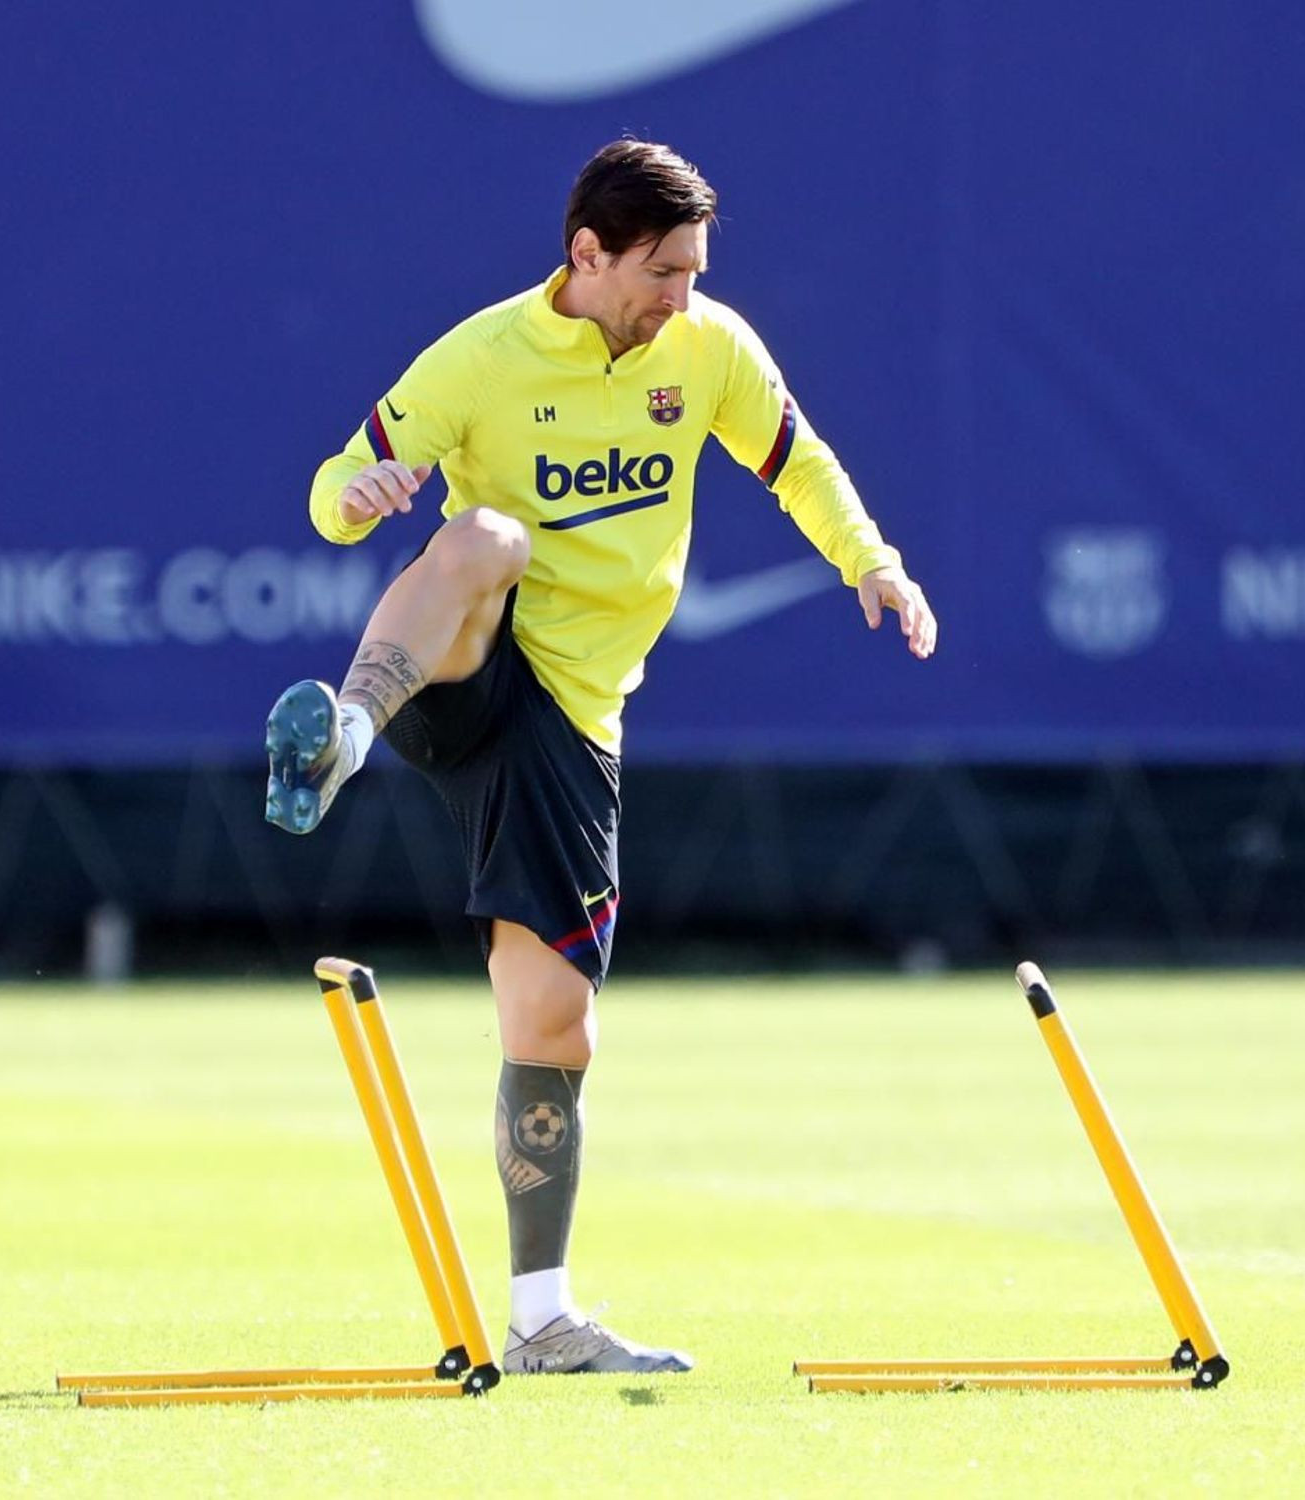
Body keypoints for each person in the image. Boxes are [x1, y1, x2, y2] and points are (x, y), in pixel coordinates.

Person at [262, 139, 938, 1375]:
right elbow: (334, 480)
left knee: (556, 1023)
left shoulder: (711, 350)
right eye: (662, 270)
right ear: (588, 254)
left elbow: (801, 463)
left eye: (692, 270)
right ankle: (343, 741)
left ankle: (540, 1322)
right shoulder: (481, 355)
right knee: (486, 535)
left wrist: (873, 564)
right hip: (465, 665)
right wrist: (356, 502)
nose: (681, 293)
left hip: (577, 714)